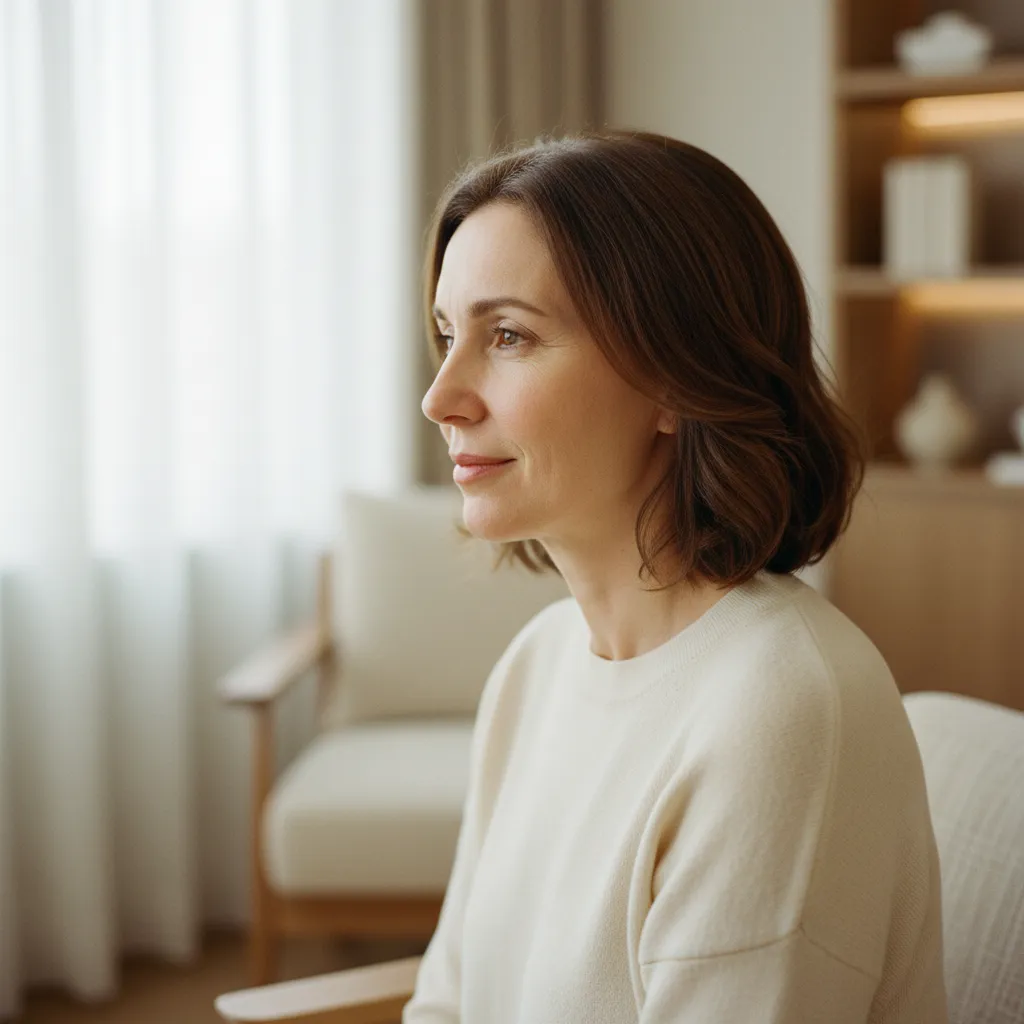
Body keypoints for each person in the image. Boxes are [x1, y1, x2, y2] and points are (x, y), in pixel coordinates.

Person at [404, 130, 948, 1023]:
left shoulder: (782, 710)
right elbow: (448, 1001)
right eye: (445, 334)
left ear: (674, 374)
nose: (441, 395)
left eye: (507, 335)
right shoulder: (536, 666)